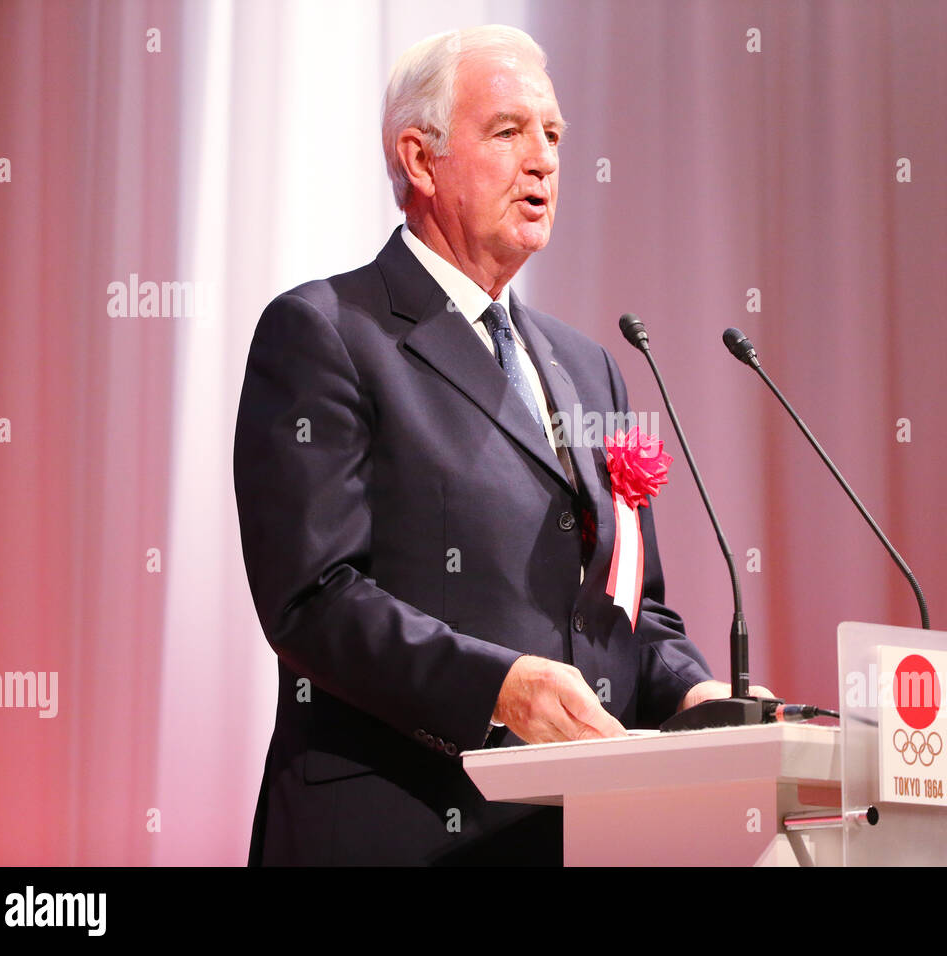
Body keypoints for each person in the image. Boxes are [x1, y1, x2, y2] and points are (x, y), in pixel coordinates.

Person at [233, 24, 766, 866]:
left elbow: (629, 610)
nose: (546, 160)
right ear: (419, 157)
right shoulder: (326, 333)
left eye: (554, 135)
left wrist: (702, 698)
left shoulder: (593, 369)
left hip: (582, 835)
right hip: (399, 826)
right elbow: (313, 597)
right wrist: (498, 688)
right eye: (509, 131)